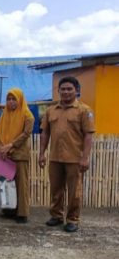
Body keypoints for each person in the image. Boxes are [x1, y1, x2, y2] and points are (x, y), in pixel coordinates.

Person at [39, 76, 94, 233]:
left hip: (75, 159)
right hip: (55, 157)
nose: (66, 92)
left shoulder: (84, 111)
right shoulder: (50, 111)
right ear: (58, 91)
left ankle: (72, 219)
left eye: (69, 89)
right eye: (63, 89)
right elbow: (45, 133)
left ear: (76, 91)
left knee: (74, 191)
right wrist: (42, 153)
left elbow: (88, 136)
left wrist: (85, 158)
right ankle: (56, 216)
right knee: (56, 189)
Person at [0, 88, 35, 224]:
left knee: (21, 184)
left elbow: (26, 134)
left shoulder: (27, 115)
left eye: (14, 99)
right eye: (9, 99)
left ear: (20, 100)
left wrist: (10, 146)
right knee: (6, 183)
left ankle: (22, 213)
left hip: (19, 154)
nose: (11, 102)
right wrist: (2, 147)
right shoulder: (4, 115)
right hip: (5, 154)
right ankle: (9, 210)